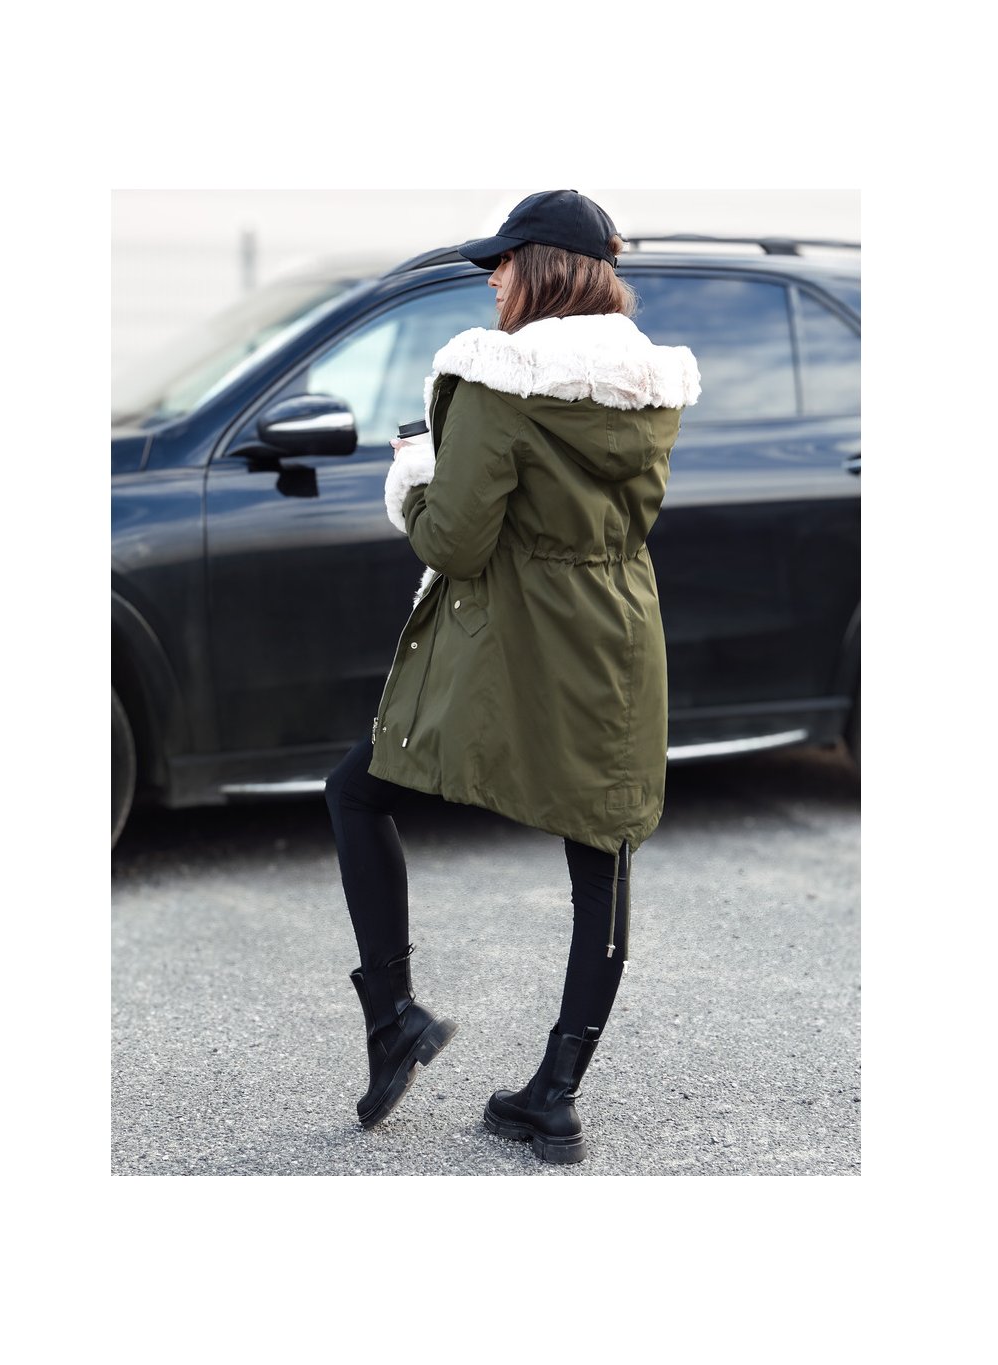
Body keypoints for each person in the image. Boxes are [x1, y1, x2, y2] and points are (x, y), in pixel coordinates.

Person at [325, 189, 700, 1165]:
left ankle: (394, 1016)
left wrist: (414, 477)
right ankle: (554, 1099)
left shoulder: (498, 383)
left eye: (502, 261)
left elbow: (455, 539)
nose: (491, 278)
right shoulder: (651, 387)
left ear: (540, 269)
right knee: (603, 854)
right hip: (619, 641)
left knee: (356, 791)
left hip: (517, 646)